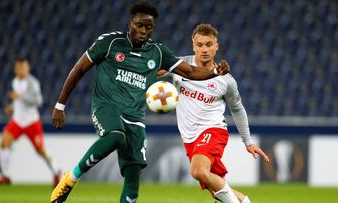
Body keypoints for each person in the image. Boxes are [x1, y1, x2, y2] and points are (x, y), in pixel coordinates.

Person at [50, 2, 230, 203]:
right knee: (116, 136)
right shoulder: (109, 42)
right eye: (139, 25)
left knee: (133, 176)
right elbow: (79, 69)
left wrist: (215, 72)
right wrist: (60, 105)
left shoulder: (158, 52)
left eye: (149, 27)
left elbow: (192, 72)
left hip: (135, 117)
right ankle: (71, 178)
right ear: (130, 23)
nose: (144, 30)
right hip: (107, 106)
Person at [170, 24, 270, 203]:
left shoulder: (226, 80)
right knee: (215, 187)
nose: (204, 49)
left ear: (217, 46)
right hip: (189, 138)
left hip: (213, 130)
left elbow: (238, 109)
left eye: (209, 44)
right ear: (193, 45)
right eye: (199, 45)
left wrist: (248, 142)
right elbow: (150, 71)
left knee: (198, 171)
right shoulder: (179, 66)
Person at [0, 58, 61, 187]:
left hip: (31, 122)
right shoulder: (14, 82)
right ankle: (5, 176)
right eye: (19, 67)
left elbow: (38, 101)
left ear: (27, 68)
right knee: (4, 143)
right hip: (17, 121)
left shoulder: (32, 83)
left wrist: (20, 97)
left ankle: (57, 171)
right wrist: (12, 107)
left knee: (41, 151)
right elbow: (18, 102)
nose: (21, 70)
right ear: (16, 69)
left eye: (24, 67)